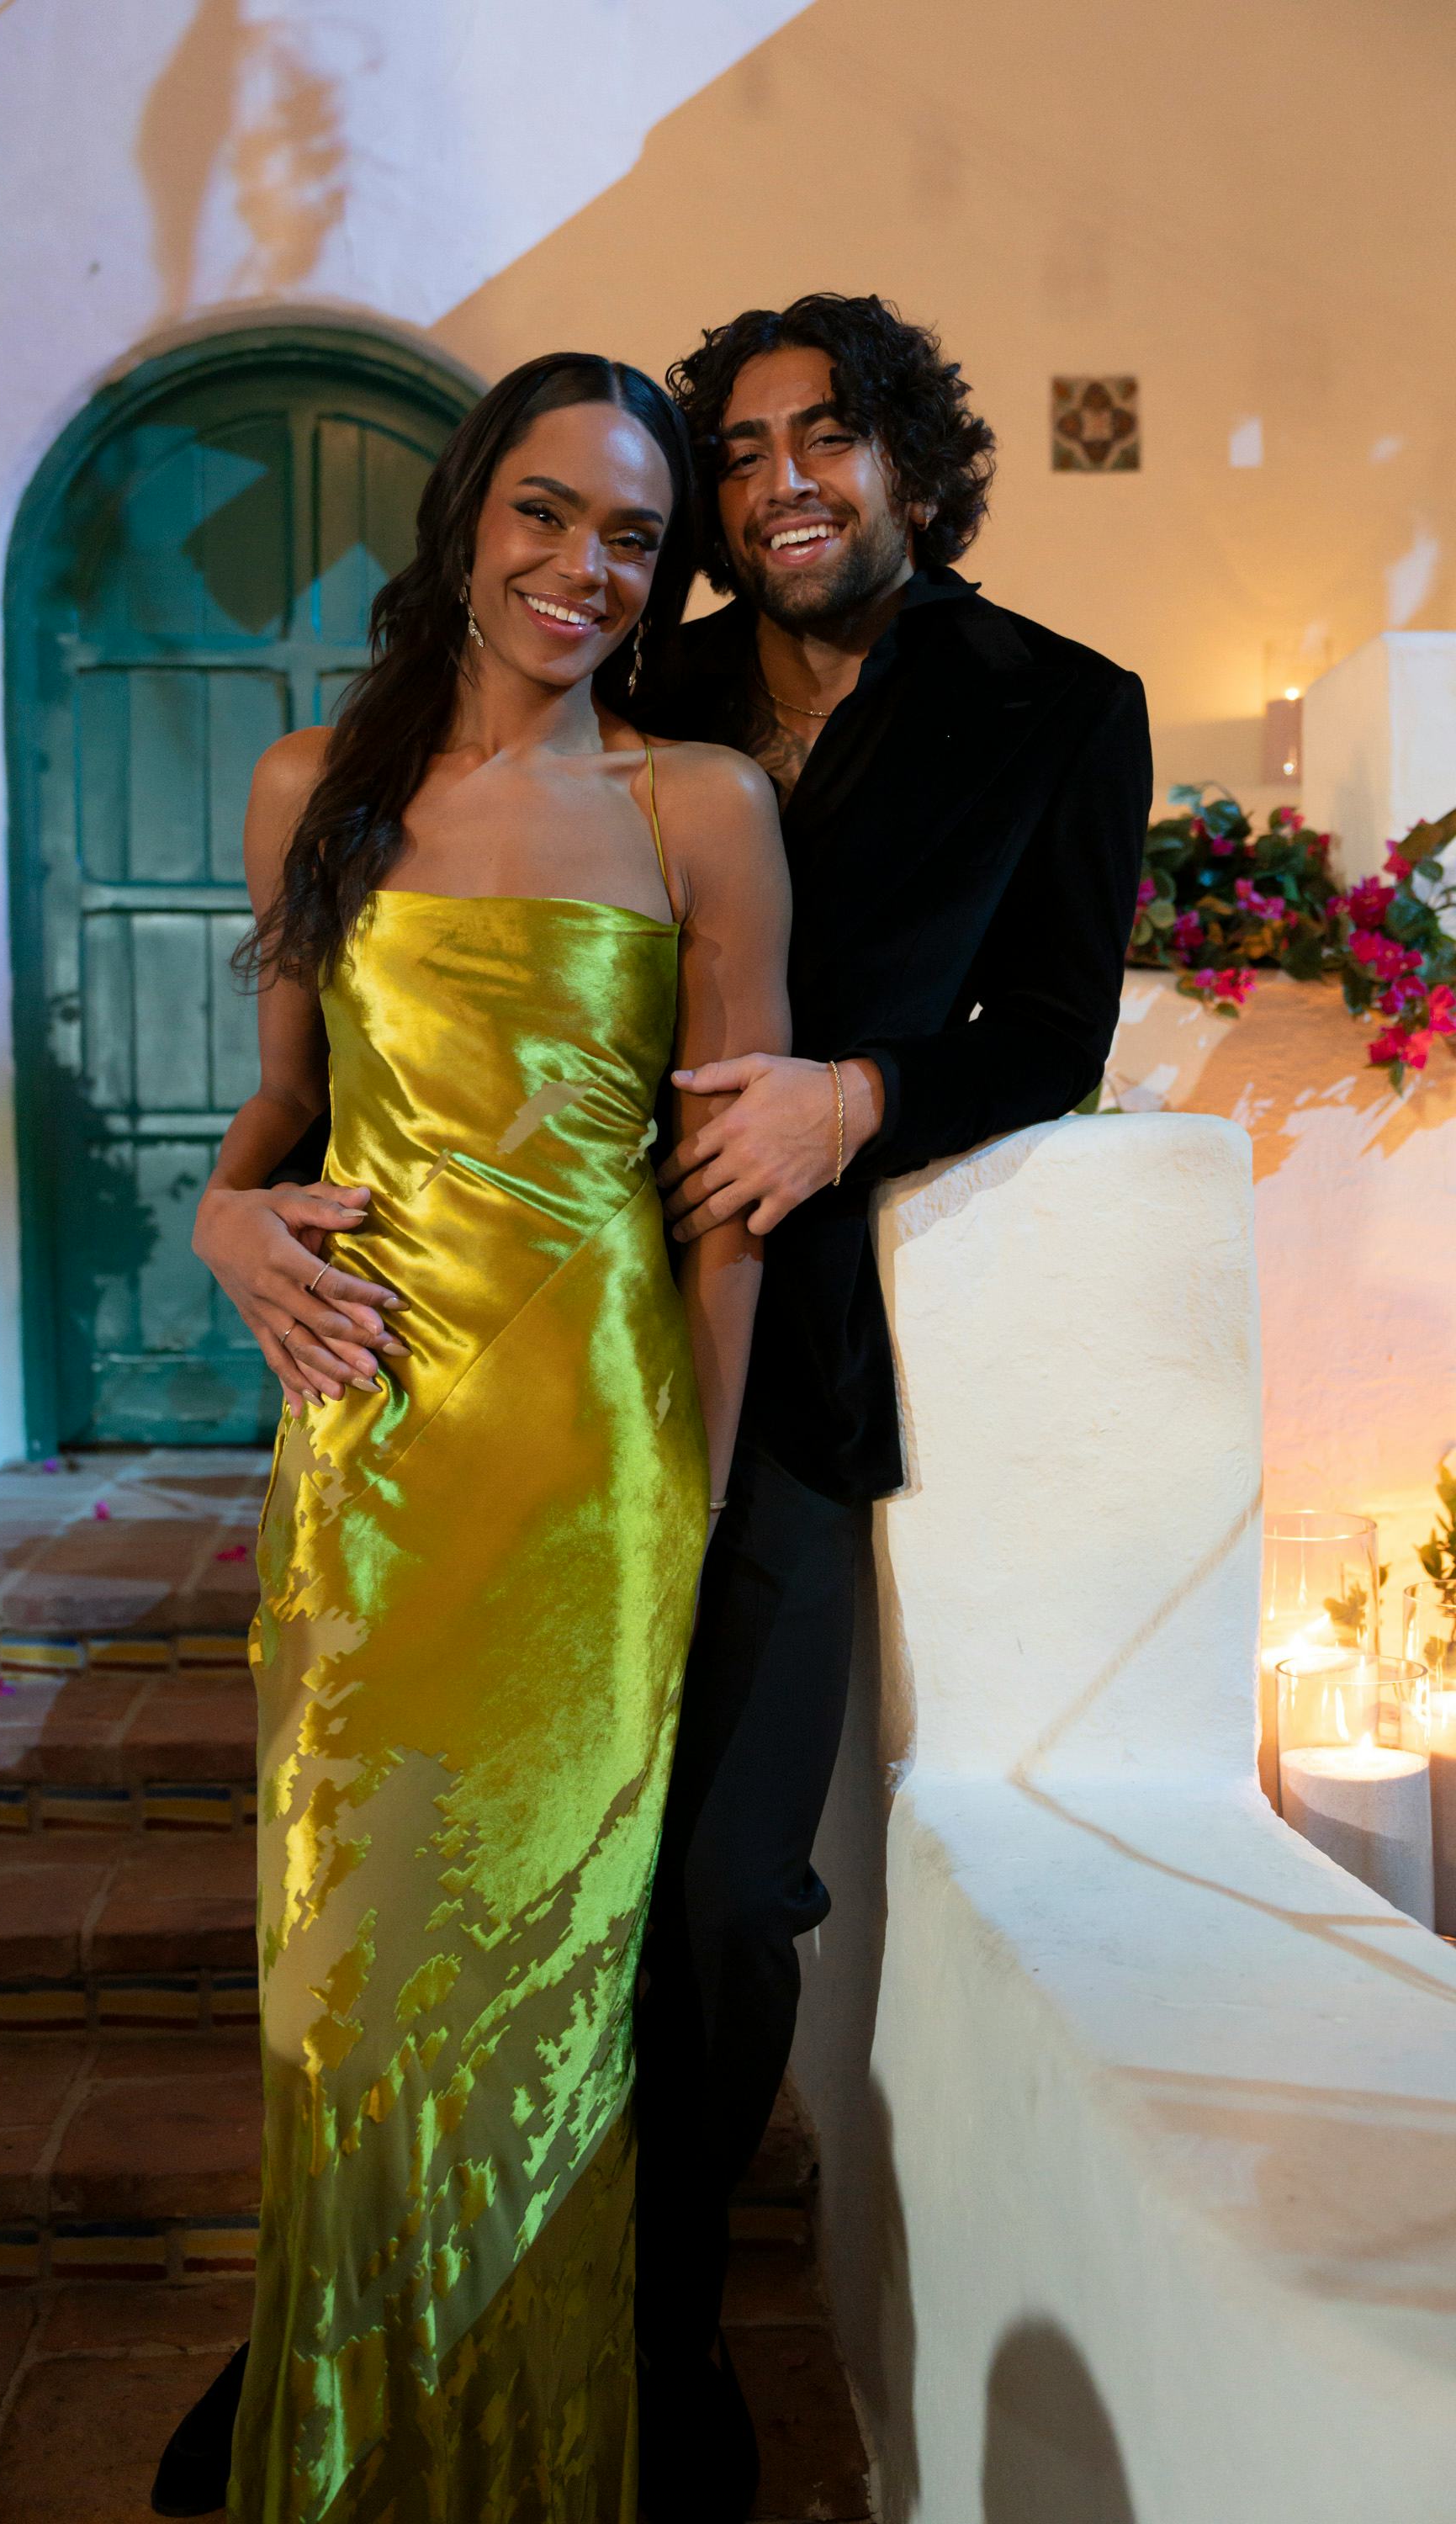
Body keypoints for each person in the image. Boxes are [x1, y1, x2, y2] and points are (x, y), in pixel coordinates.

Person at [148, 352, 789, 2524]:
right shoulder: (310, 782)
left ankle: (532, 2474)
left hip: (593, 1488)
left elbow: (725, 1219)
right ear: (465, 516)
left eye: (630, 536)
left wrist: (681, 1524)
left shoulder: (704, 805)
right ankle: (351, 2465)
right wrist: (223, 1212)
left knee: (543, 2028)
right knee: (342, 1999)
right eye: (546, 512)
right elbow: (284, 1102)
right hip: (371, 1460)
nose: (583, 568)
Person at [628, 292, 1152, 2521]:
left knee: (735, 1885)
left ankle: (662, 2338)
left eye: (821, 440)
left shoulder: (1061, 708)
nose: (778, 487)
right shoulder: (633, 681)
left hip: (804, 1362)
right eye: (736, 456)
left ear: (913, 461)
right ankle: (384, 2290)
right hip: (551, 1326)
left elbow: (1050, 1032)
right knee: (478, 1857)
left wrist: (859, 1096)